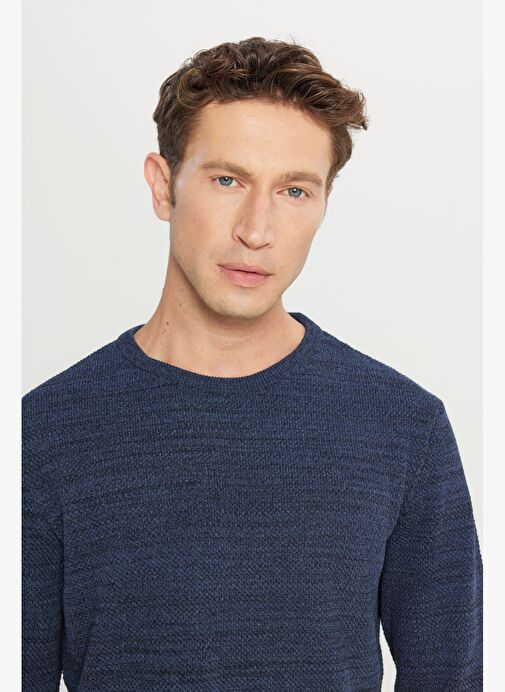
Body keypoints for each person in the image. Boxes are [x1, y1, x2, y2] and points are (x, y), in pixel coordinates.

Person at [22, 36, 483, 691]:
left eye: (294, 190)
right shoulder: (43, 433)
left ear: (324, 204)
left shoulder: (403, 428)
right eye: (227, 180)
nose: (256, 230)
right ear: (163, 186)